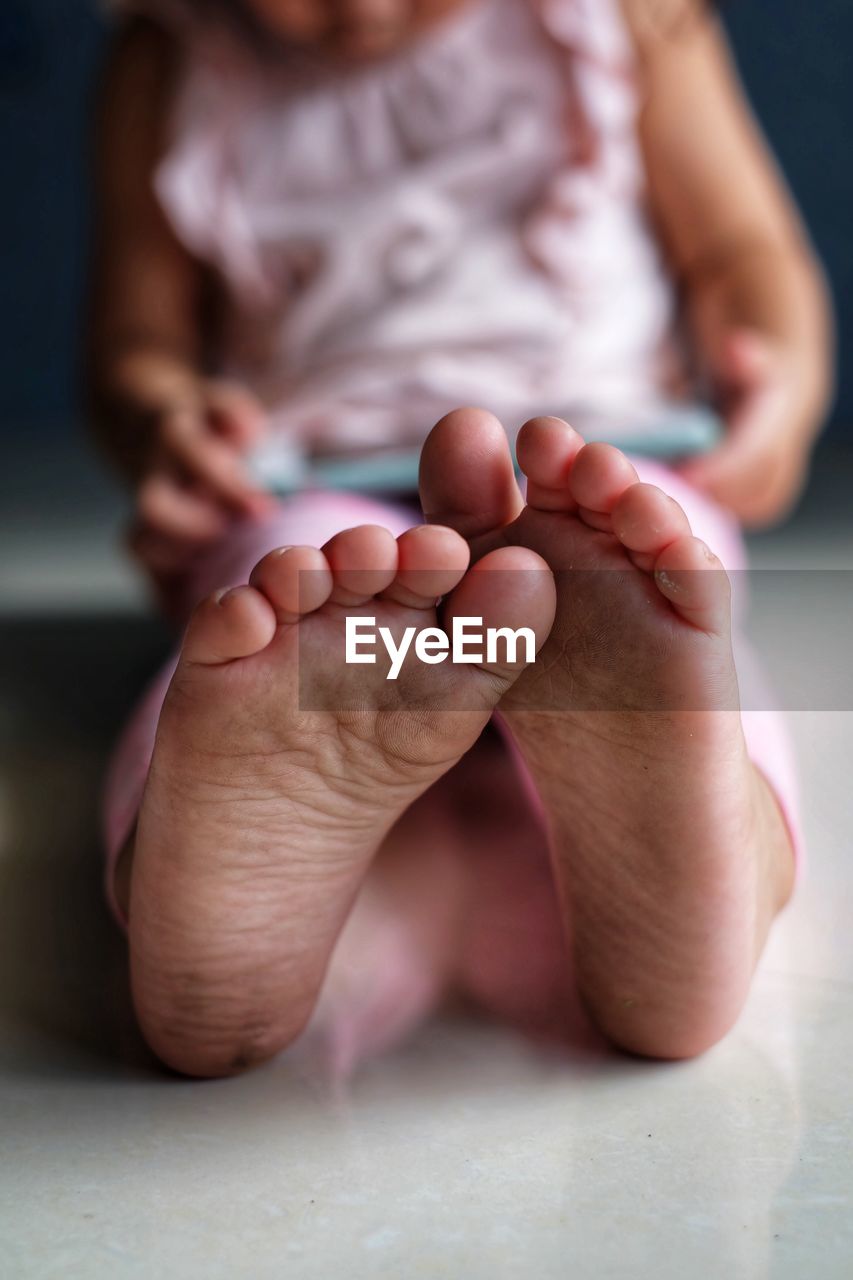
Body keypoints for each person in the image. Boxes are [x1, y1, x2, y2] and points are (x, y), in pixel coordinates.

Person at [88, 0, 832, 1078]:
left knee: (655, 593)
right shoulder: (172, 56)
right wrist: (166, 418)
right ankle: (208, 899)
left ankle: (704, 851)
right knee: (261, 617)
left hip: (593, 470)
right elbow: (135, 339)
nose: (362, 9)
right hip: (320, 488)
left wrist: (780, 385)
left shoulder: (629, 20)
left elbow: (742, 250)